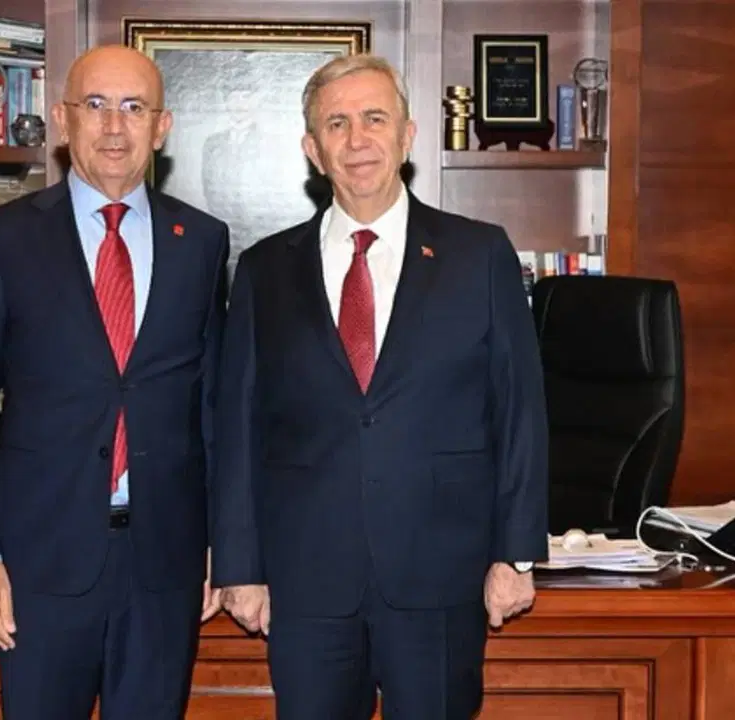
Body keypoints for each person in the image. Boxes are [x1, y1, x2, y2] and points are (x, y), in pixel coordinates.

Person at [210, 53, 548, 719]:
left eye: (374, 118)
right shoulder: (264, 269)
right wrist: (240, 566)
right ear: (313, 150)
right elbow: (239, 425)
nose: (356, 139)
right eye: (336, 124)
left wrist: (516, 554)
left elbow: (519, 412)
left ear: (407, 135)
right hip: (306, 581)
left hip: (441, 573)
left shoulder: (480, 255)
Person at [0, 45, 229, 720]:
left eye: (135, 107)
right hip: (37, 564)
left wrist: (224, 544)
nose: (114, 126)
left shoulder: (202, 241)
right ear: (63, 119)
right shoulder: (2, 239)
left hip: (165, 563)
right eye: (95, 105)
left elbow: (213, 406)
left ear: (161, 127)